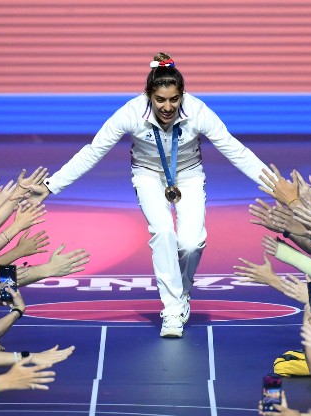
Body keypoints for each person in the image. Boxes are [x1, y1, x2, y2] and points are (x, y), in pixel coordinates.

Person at [24, 53, 269, 338]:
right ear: (148, 96)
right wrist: (52, 185)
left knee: (191, 243)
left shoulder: (198, 111)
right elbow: (94, 151)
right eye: (160, 100)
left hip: (188, 175)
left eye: (174, 99)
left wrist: (275, 185)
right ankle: (172, 310)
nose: (168, 107)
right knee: (163, 231)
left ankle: (181, 294)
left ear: (182, 95)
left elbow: (234, 149)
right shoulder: (130, 112)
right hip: (148, 175)